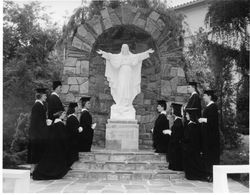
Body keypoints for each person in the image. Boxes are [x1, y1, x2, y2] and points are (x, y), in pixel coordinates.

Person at [97, 44, 154, 120]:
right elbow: (111, 56)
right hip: (121, 73)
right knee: (121, 87)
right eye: (123, 48)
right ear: (121, 49)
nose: (124, 49)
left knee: (128, 88)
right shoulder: (119, 57)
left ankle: (127, 103)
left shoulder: (131, 57)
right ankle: (120, 103)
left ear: (128, 49)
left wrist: (147, 52)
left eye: (126, 48)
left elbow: (139, 56)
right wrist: (103, 53)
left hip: (129, 74)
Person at [32, 111, 70, 180]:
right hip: (58, 146)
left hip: (52, 145)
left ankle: (41, 172)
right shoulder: (60, 124)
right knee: (55, 161)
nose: (65, 115)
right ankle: (52, 174)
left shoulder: (54, 123)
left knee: (49, 160)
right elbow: (63, 136)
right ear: (60, 115)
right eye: (64, 114)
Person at [198, 90, 220, 182]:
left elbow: (213, 121)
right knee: (207, 155)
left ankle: (212, 175)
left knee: (211, 156)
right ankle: (208, 174)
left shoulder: (213, 106)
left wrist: (203, 119)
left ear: (209, 96)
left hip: (211, 137)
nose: (203, 97)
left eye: (205, 95)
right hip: (207, 136)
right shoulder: (209, 106)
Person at [182, 108, 208, 181]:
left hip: (190, 149)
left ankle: (196, 176)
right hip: (194, 148)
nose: (186, 116)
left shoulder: (191, 126)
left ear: (190, 115)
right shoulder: (196, 125)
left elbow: (187, 138)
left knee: (194, 164)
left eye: (187, 114)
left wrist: (182, 141)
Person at [27, 88, 49, 175]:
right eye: (45, 95)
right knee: (35, 151)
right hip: (37, 133)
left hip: (37, 132)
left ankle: (35, 170)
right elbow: (37, 122)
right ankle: (33, 170)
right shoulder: (37, 106)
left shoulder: (40, 105)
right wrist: (46, 123)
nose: (46, 97)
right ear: (40, 96)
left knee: (36, 151)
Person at [167, 103, 184, 171]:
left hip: (176, 144)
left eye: (173, 109)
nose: (172, 111)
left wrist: (170, 132)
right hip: (175, 143)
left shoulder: (178, 121)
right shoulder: (177, 121)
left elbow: (177, 134)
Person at [66, 102, 82, 167]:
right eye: (77, 107)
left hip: (73, 139)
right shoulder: (72, 117)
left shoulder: (71, 117)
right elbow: (72, 129)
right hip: (72, 140)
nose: (78, 108)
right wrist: (79, 129)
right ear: (74, 108)